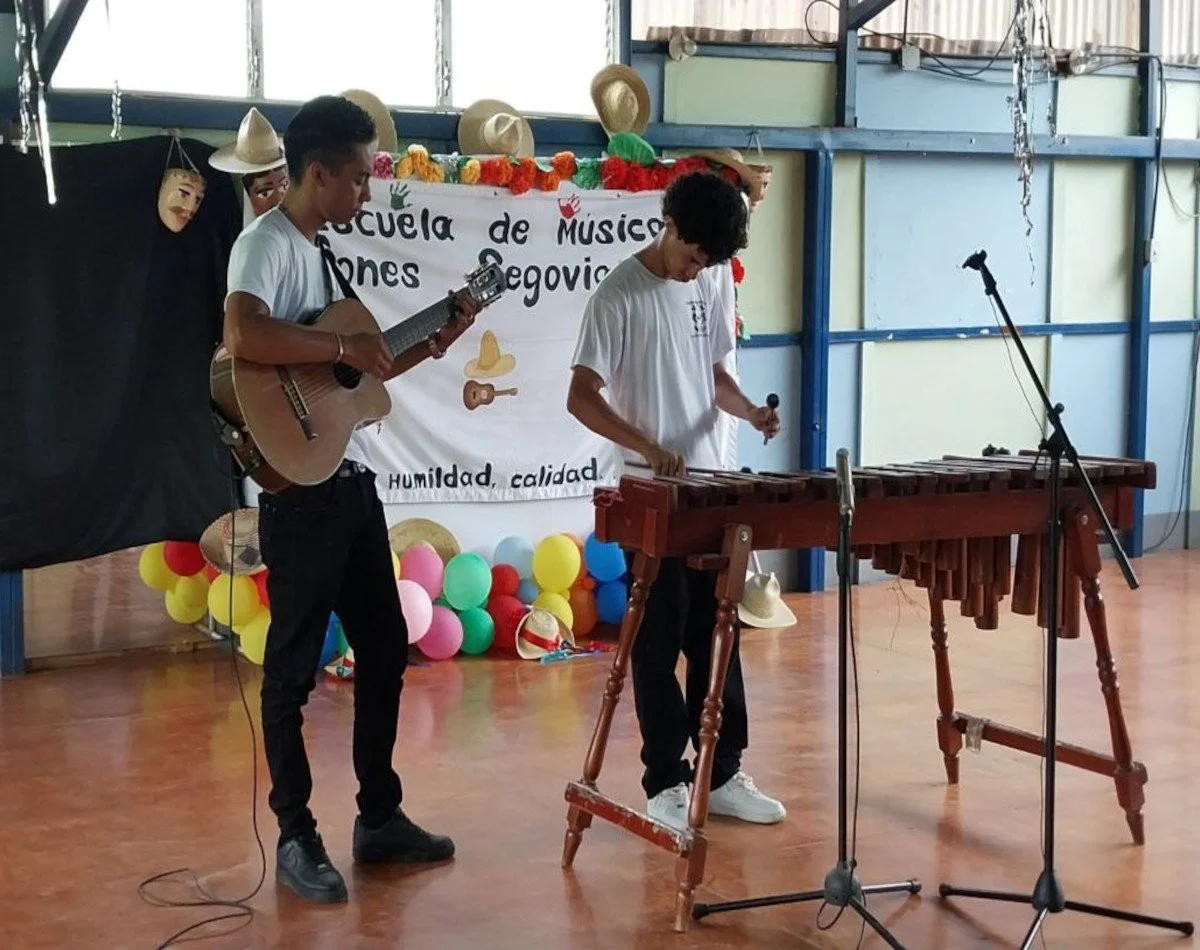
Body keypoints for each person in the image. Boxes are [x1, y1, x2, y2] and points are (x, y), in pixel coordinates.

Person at [221, 94, 480, 903]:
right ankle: (296, 834)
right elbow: (244, 335)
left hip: (350, 482)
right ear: (319, 172)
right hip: (300, 494)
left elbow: (361, 376)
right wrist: (341, 343)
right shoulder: (264, 244)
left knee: (385, 647)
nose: (367, 190)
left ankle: (379, 817)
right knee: (292, 673)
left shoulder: (324, 256)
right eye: (360, 177)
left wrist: (435, 338)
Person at [566, 171, 786, 831]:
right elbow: (580, 396)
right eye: (692, 257)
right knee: (658, 642)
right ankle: (665, 779)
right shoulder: (618, 296)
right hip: (649, 492)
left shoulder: (711, 279)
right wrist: (647, 444)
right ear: (669, 224)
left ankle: (722, 773)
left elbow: (717, 378)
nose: (696, 272)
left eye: (708, 263)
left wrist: (751, 412)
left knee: (719, 635)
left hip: (709, 488)